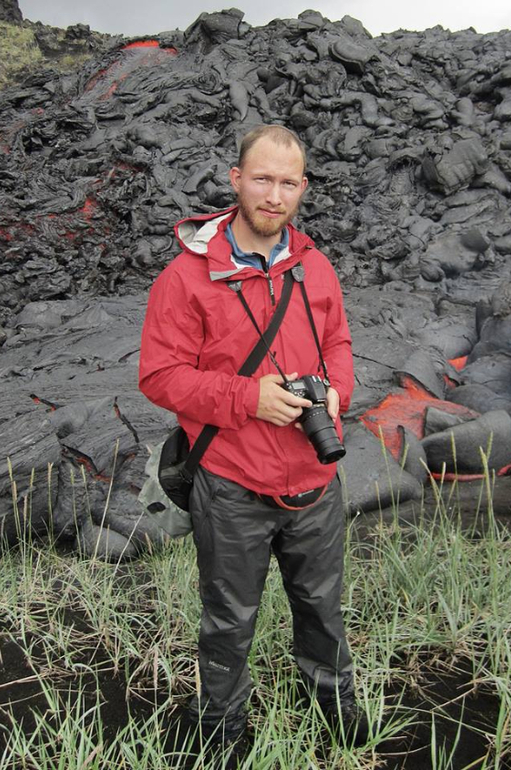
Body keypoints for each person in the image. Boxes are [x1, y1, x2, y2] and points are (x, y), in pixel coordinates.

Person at [139, 124, 367, 750]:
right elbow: (158, 376)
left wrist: (338, 390)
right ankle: (221, 734)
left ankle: (335, 718)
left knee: (323, 611)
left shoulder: (316, 267)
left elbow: (339, 342)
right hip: (232, 482)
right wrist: (248, 398)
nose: (274, 195)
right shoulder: (185, 278)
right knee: (229, 622)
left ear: (303, 188)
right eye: (262, 179)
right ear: (236, 181)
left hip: (316, 479)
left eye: (288, 183)